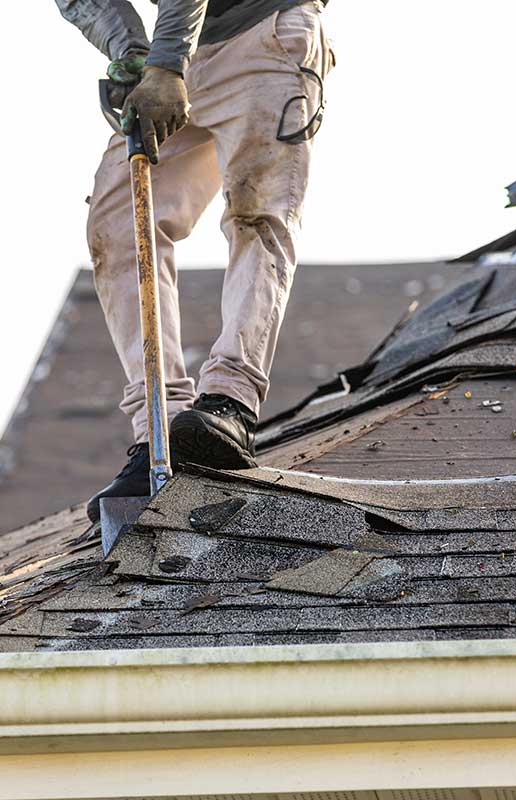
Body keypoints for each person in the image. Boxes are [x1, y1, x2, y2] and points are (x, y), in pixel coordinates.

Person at [55, 0, 334, 522]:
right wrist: (135, 57)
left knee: (257, 210)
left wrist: (163, 65)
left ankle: (229, 402)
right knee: (117, 225)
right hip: (181, 52)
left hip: (263, 28)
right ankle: (160, 426)